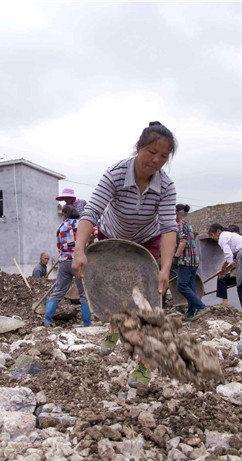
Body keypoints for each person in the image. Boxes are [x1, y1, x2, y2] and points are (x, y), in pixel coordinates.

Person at [72, 121, 178, 387]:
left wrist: (165, 269)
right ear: (139, 147)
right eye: (152, 152)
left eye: (164, 156)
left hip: (147, 241)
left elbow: (168, 228)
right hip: (113, 238)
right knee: (117, 293)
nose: (156, 160)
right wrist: (79, 250)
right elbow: (92, 211)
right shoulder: (116, 174)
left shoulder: (166, 186)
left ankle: (144, 364)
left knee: (149, 302)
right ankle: (113, 330)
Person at [44, 205, 92, 327]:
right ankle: (87, 323)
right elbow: (94, 233)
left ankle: (47, 320)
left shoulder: (60, 227)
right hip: (78, 260)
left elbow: (59, 246)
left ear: (65, 215)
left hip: (64, 261)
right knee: (83, 293)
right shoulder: (81, 224)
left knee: (59, 291)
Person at [208, 223, 242, 320]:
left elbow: (229, 258)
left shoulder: (222, 238)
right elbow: (234, 263)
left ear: (218, 232)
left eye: (212, 235)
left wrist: (223, 268)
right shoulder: (231, 236)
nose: (212, 238)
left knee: (241, 288)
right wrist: (225, 271)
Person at [174, 204, 207, 320]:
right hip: (194, 261)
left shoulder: (181, 225)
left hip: (186, 260)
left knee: (181, 286)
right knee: (190, 287)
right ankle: (190, 313)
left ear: (177, 213)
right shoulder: (188, 225)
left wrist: (176, 256)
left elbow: (183, 242)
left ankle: (201, 306)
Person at [215, 225, 240, 306]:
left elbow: (232, 261)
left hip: (240, 274)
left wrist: (224, 270)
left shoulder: (237, 245)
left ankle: (225, 303)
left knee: (221, 279)